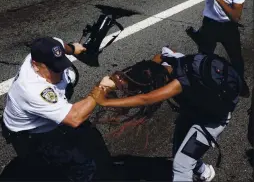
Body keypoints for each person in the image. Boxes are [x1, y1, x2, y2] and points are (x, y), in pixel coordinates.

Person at [89, 46, 243, 181]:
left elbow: (145, 98)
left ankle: (193, 172)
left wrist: (105, 102)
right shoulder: (168, 60)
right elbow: (156, 59)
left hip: (212, 120)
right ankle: (204, 172)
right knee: (180, 151)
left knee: (181, 166)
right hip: (194, 110)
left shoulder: (178, 83)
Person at [2, 37, 114, 181]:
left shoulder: (42, 52)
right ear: (36, 65)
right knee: (83, 166)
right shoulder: (33, 90)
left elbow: (58, 44)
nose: (60, 71)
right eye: (54, 69)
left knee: (89, 136)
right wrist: (101, 89)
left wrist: (72, 49)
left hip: (46, 121)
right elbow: (75, 118)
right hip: (34, 135)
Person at [186, 0, 250, 98]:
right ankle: (201, 86)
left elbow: (236, 17)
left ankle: (240, 83)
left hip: (229, 27)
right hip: (209, 24)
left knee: (236, 58)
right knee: (202, 58)